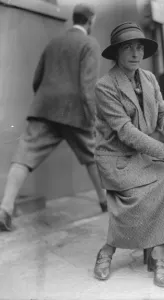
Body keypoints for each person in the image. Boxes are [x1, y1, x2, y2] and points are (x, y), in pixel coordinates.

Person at [93, 22, 164, 288]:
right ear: (116, 53)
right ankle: (109, 249)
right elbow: (125, 132)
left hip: (143, 157)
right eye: (128, 48)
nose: (136, 53)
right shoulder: (105, 86)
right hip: (116, 159)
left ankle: (158, 257)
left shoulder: (149, 79)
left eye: (139, 47)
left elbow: (163, 115)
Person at [0, 3, 107, 232]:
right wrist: (93, 118)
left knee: (23, 156)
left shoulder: (53, 42)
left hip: (44, 109)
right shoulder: (89, 44)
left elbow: (37, 79)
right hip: (75, 112)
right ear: (90, 21)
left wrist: (44, 101)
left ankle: (5, 209)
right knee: (93, 156)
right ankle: (106, 202)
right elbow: (88, 86)